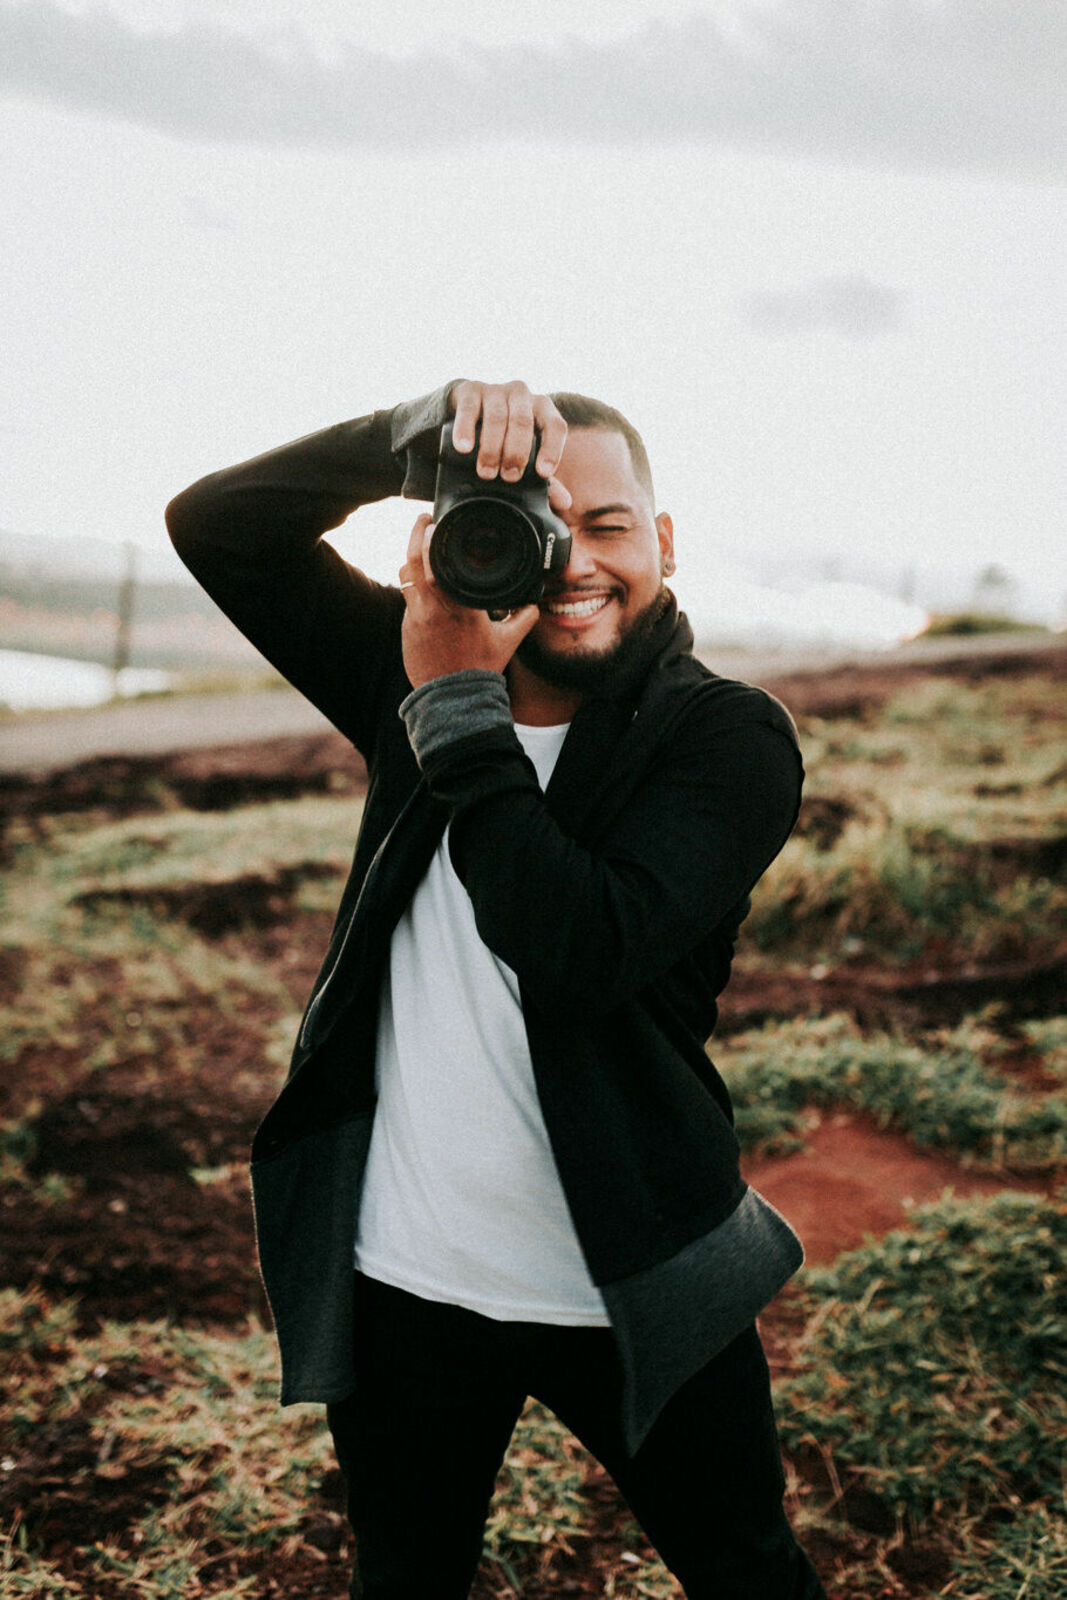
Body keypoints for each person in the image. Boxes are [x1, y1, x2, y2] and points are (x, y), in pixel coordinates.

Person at [166, 378, 827, 1599]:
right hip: (405, 1276)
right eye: (524, 516)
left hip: (637, 1270)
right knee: (404, 1577)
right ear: (449, 532)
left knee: (745, 1571)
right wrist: (402, 435)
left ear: (663, 542)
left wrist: (453, 702)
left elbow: (573, 946)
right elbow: (217, 524)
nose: (569, 559)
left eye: (609, 524)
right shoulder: (406, 662)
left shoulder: (724, 736)